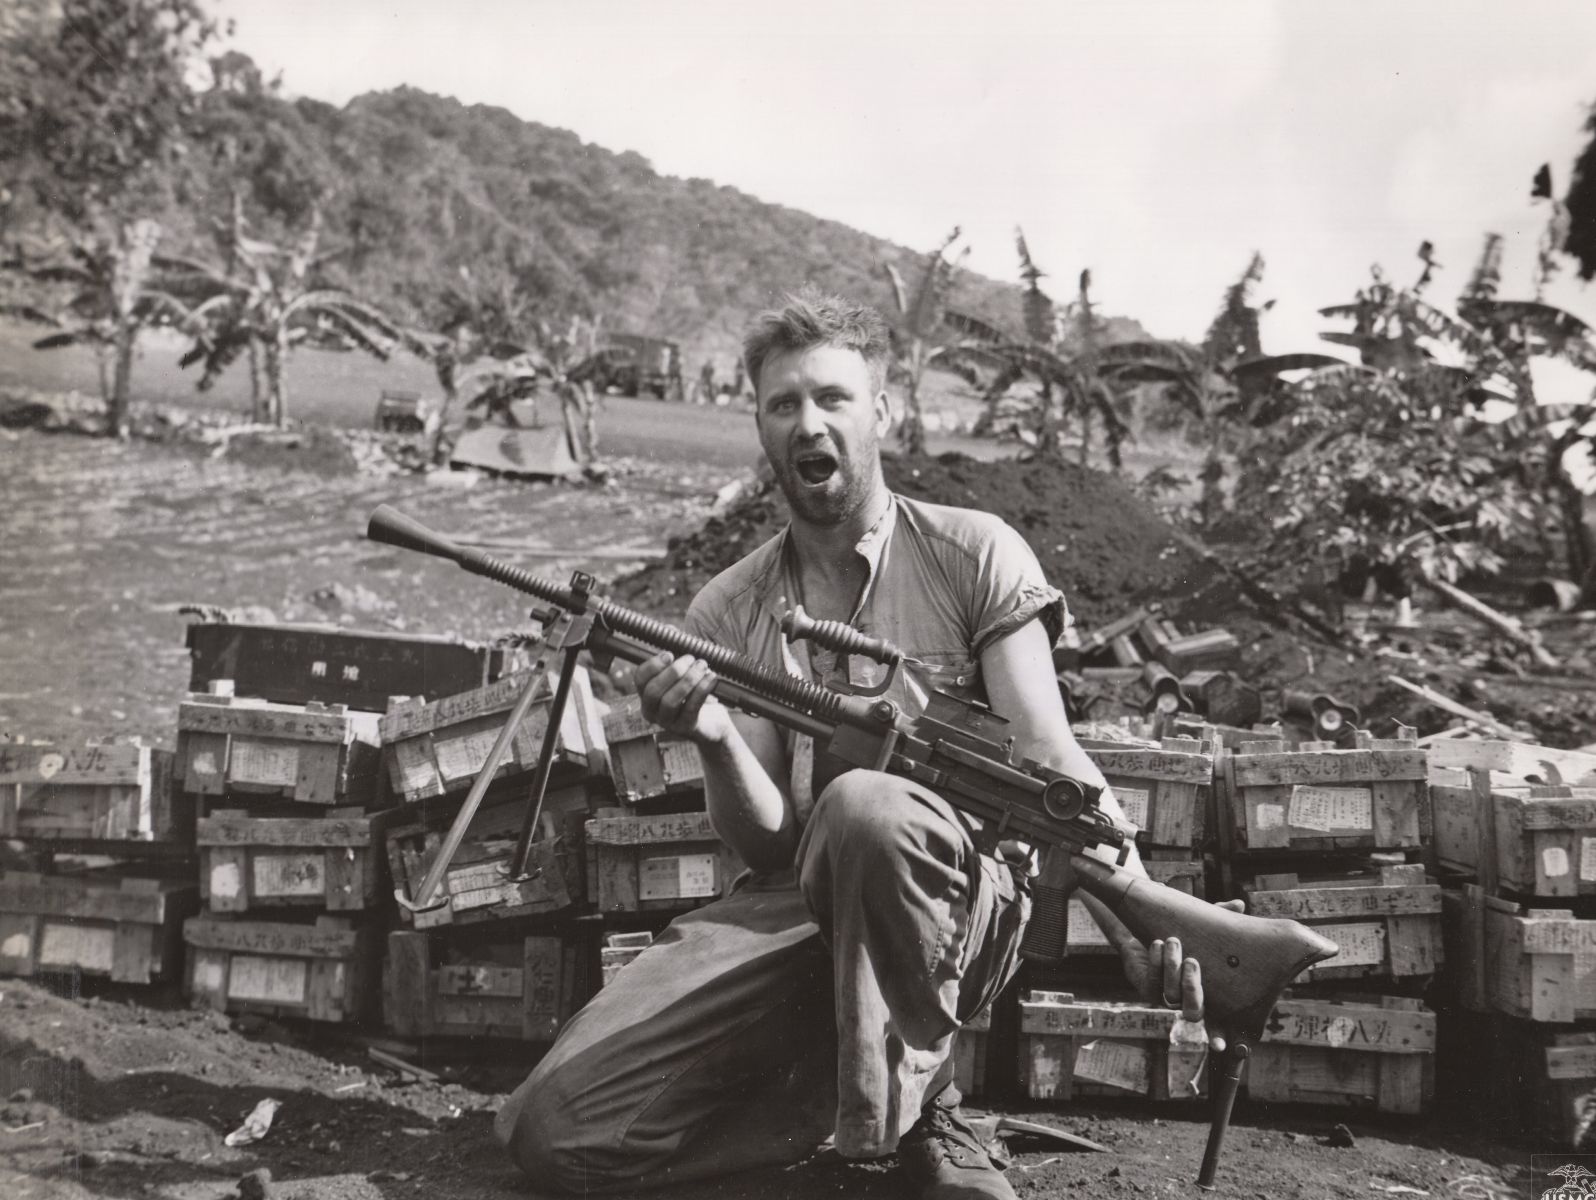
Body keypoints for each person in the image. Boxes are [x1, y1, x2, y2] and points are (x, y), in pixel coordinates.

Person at [495, 287, 1214, 1199]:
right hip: (788, 907)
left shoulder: (975, 553)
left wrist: (1141, 905)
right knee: (550, 1134)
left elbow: (1048, 749)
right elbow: (765, 847)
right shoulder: (730, 607)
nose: (810, 424)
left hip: (957, 903)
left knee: (866, 807)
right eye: (784, 404)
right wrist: (712, 732)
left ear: (881, 408)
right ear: (759, 424)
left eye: (833, 398)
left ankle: (926, 1099)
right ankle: (842, 1117)